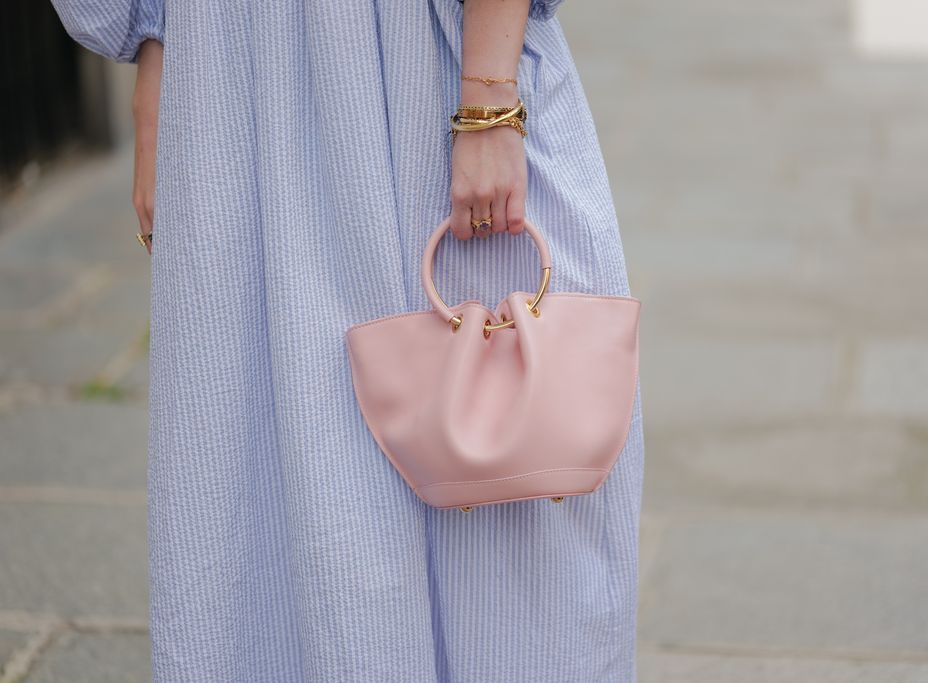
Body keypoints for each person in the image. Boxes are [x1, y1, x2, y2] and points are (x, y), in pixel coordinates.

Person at [49, 0, 646, 680]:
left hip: (433, 73)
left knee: (512, 512)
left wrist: (488, 97)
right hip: (230, 83)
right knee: (281, 499)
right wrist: (157, 58)